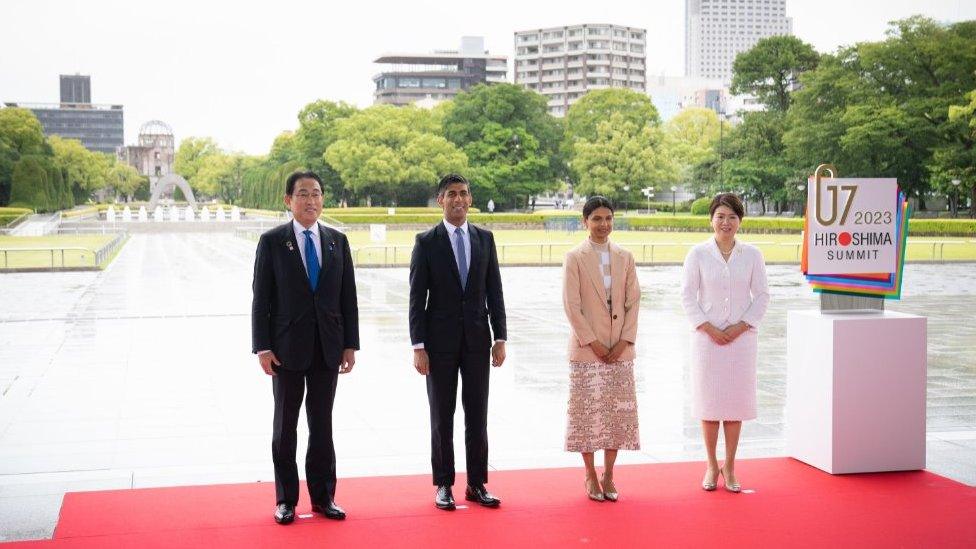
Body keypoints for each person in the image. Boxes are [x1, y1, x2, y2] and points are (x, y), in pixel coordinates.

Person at [251, 171, 359, 524]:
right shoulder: (272, 242)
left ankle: (324, 497)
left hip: (328, 348)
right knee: (285, 427)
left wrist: (350, 345)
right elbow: (261, 299)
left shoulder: (337, 241)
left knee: (322, 425)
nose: (310, 200)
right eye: (302, 194)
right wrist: (262, 347)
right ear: (288, 200)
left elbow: (348, 298)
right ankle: (285, 500)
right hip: (285, 349)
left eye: (316, 193)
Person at [409, 173, 507, 511]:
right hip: (439, 345)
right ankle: (444, 484)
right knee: (442, 416)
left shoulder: (485, 239)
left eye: (464, 193)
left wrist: (501, 337)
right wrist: (418, 346)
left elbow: (494, 291)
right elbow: (416, 298)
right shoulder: (426, 242)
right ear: (441, 200)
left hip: (479, 341)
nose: (459, 200)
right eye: (452, 194)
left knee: (477, 414)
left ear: (470, 198)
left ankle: (477, 483)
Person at [680, 193, 768, 493]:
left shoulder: (753, 254)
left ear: (740, 220)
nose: (726, 222)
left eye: (732, 216)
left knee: (733, 405)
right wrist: (709, 328)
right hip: (706, 340)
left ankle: (729, 466)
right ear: (711, 219)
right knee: (709, 404)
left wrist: (741, 326)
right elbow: (687, 296)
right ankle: (710, 465)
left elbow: (763, 296)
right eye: (720, 216)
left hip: (741, 341)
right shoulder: (698, 254)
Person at [562, 196, 641, 502]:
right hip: (587, 350)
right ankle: (590, 473)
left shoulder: (625, 256)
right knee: (587, 414)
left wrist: (623, 341)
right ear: (585, 222)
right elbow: (572, 305)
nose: (603, 224)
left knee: (616, 415)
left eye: (608, 218)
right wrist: (592, 342)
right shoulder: (575, 257)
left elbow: (634, 302)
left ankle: (609, 473)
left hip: (620, 351)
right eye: (596, 218)